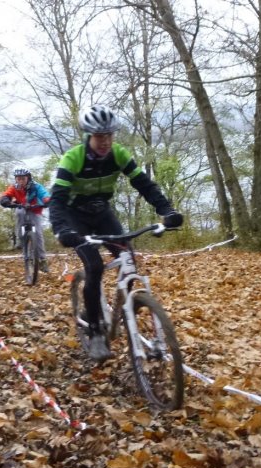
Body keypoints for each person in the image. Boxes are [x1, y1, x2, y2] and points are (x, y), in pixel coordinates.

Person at [49, 104, 183, 362]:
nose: (105, 141)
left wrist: (166, 210)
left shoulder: (119, 154)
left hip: (102, 212)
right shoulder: (73, 159)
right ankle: (96, 331)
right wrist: (61, 229)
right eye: (100, 137)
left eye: (109, 135)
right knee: (95, 267)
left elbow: (144, 185)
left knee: (128, 260)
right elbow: (57, 200)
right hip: (74, 216)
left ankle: (125, 309)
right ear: (89, 136)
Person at [0, 168, 51, 273]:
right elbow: (6, 194)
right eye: (18, 179)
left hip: (35, 209)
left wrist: (47, 201)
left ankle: (42, 260)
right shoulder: (15, 187)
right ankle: (20, 239)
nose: (20, 181)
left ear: (28, 178)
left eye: (23, 178)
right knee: (19, 212)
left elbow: (44, 194)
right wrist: (5, 200)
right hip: (22, 208)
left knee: (38, 234)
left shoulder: (36, 186)